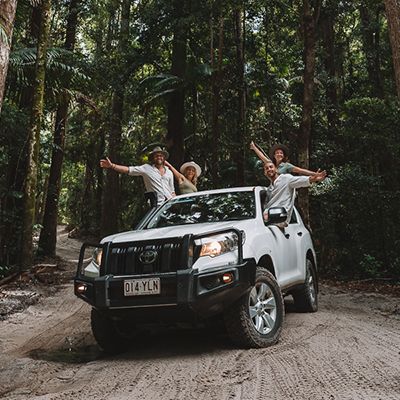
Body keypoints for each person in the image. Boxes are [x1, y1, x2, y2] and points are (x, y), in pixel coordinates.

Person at [99, 146, 175, 207]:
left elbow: (172, 191)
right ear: (153, 158)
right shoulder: (146, 169)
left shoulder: (169, 172)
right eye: (156, 156)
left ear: (164, 158)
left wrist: (176, 203)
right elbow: (128, 170)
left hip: (169, 205)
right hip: (156, 206)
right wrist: (112, 165)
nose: (159, 157)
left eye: (161, 156)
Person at [263, 159, 327, 226]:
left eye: (271, 167)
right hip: (267, 220)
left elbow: (300, 180)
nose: (269, 169)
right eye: (266, 168)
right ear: (265, 173)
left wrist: (314, 179)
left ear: (276, 169)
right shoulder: (269, 189)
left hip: (279, 220)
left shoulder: (286, 179)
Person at [250, 141, 321, 176]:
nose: (279, 154)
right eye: (277, 153)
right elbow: (262, 156)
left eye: (281, 153)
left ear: (283, 156)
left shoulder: (286, 165)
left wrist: (315, 174)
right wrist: (254, 147)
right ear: (274, 155)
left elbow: (301, 170)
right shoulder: (271, 165)